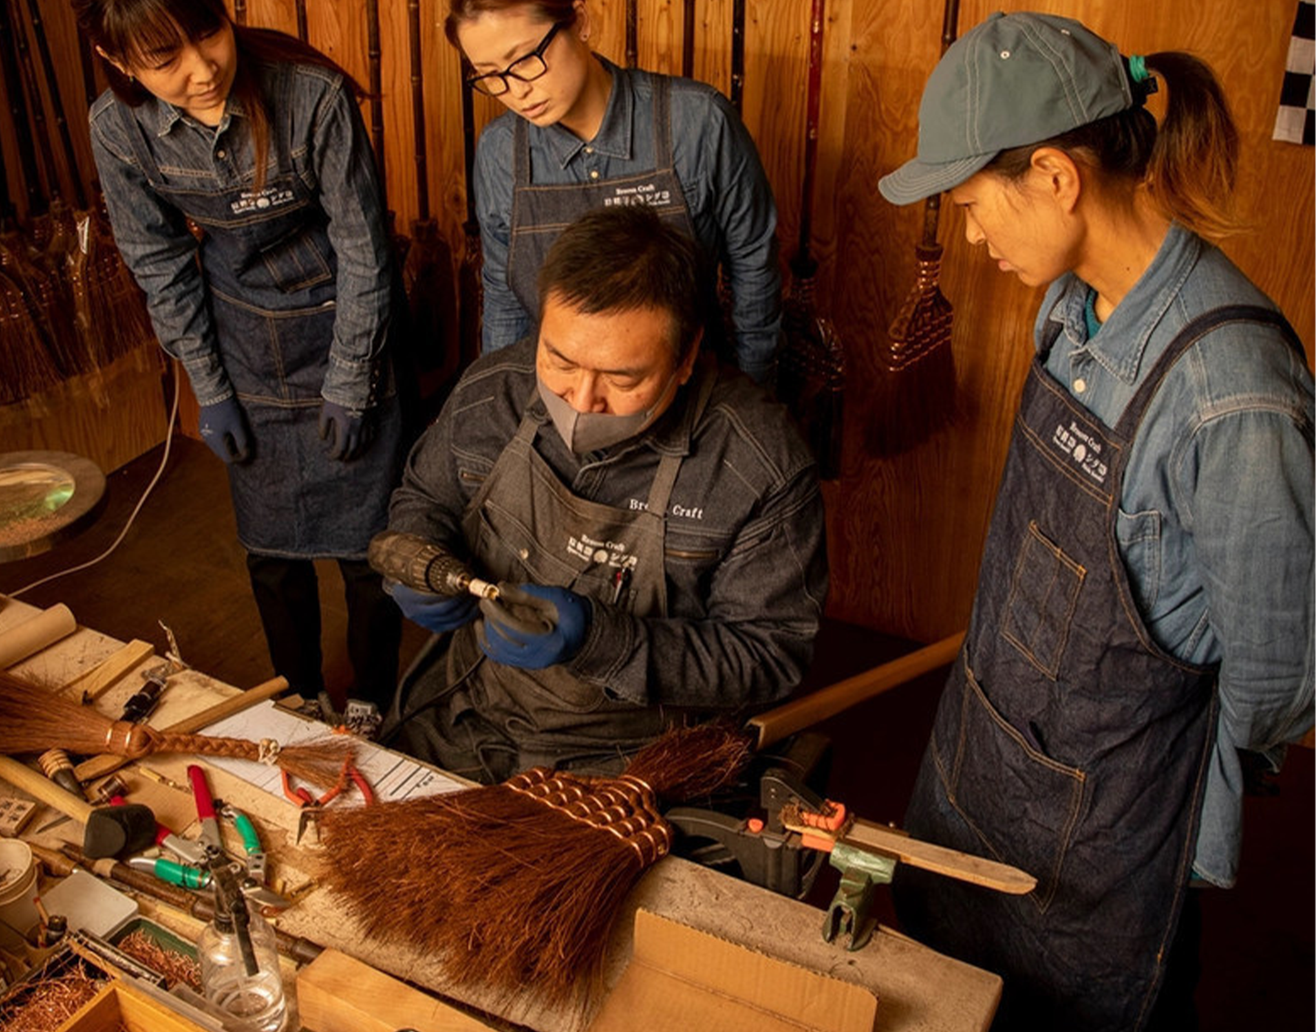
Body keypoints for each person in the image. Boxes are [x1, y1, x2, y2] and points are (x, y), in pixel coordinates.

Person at [878, 12, 1314, 1032]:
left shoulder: (1233, 393)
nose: (969, 235)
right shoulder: (1066, 310)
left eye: (973, 205)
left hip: (1106, 823)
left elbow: (1280, 675)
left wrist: (1165, 809)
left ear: (1054, 176)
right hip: (982, 747)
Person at [381, 206, 827, 781]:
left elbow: (770, 655)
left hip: (634, 759)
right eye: (558, 362)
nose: (581, 400)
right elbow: (423, 497)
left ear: (687, 356)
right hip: (471, 712)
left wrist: (604, 641)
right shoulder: (493, 391)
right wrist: (419, 561)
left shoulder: (756, 466)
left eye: (623, 379)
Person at [74, 0, 411, 721]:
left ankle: (374, 695)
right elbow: (159, 261)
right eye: (165, 61)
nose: (203, 71)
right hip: (244, 343)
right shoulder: (118, 129)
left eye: (208, 35)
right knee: (272, 549)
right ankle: (298, 693)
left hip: (345, 323)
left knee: (368, 549)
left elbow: (363, 252)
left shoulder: (308, 94)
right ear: (117, 61)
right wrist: (209, 384)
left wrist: (352, 382)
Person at [447, 0, 783, 385]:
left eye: (524, 59)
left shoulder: (700, 122)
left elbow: (754, 267)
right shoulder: (499, 152)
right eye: (490, 75)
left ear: (581, 21)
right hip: (560, 396)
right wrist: (498, 398)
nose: (517, 91)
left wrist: (755, 392)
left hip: (689, 389)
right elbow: (505, 303)